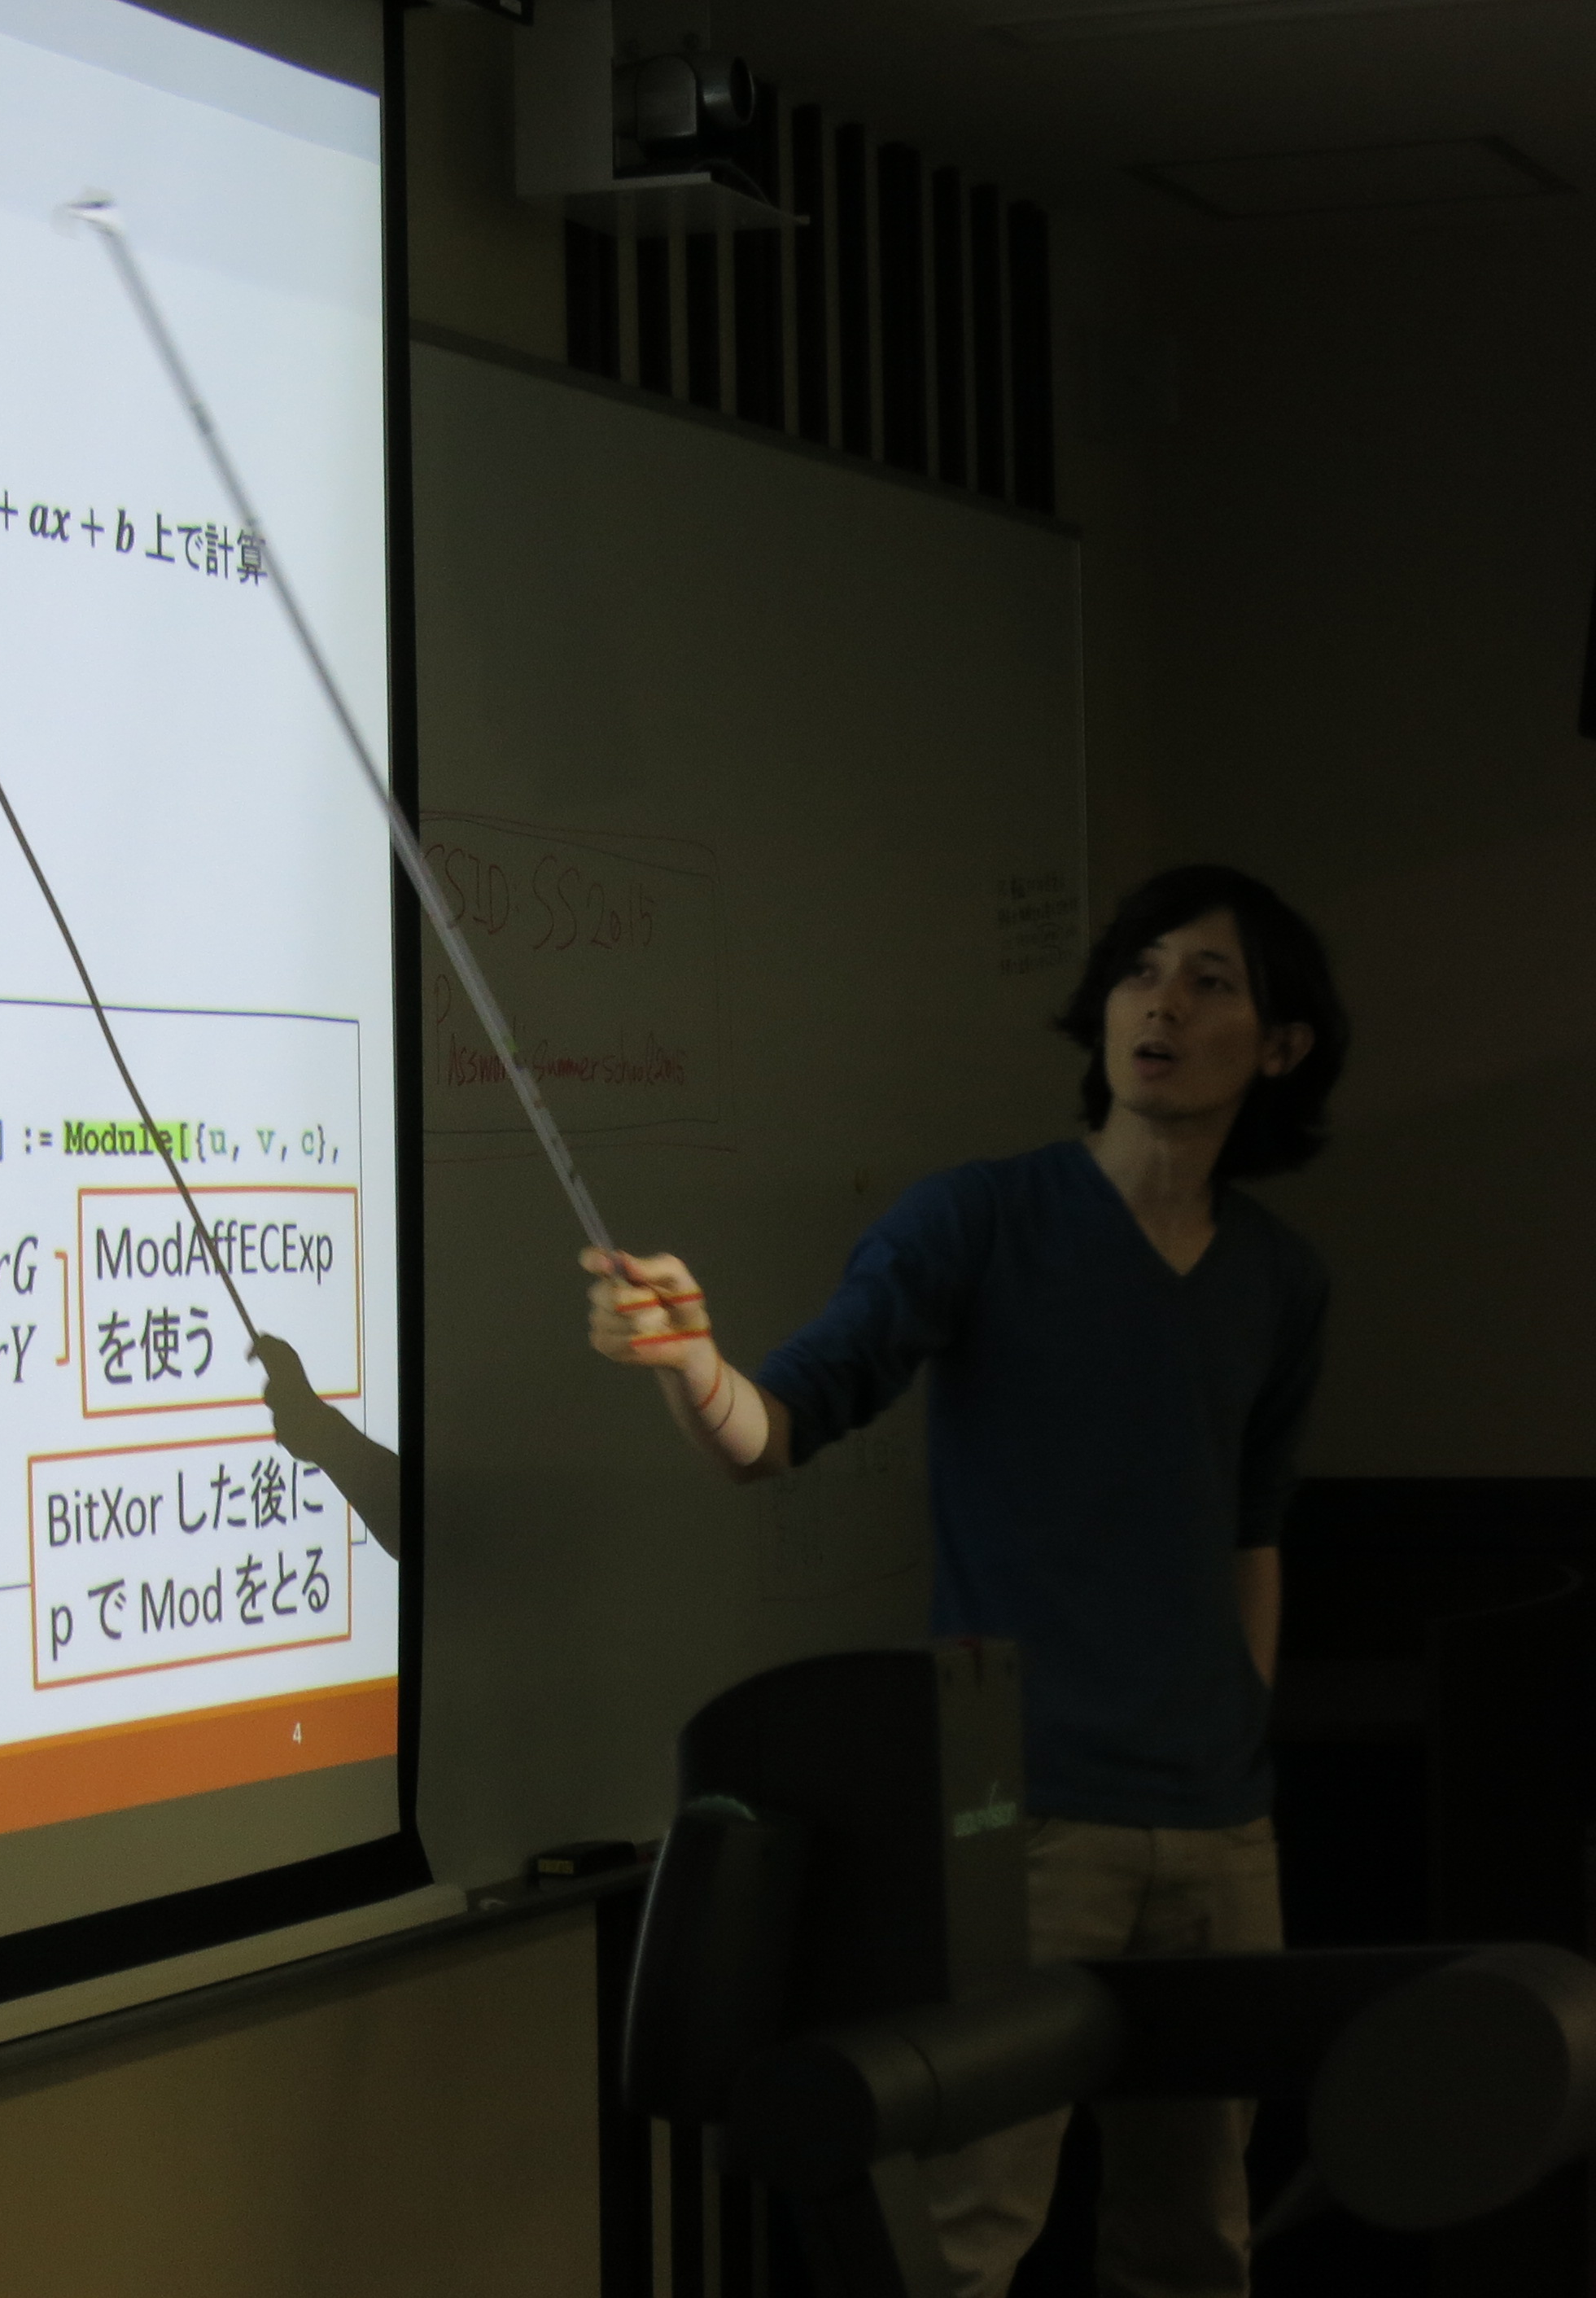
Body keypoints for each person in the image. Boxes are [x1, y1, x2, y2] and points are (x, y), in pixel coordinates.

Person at [576, 864, 1347, 2298]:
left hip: (1219, 1826)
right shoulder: (978, 1220)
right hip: (1026, 1813)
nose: (1162, 1006)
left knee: (1198, 2239)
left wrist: (1241, 1730)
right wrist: (691, 1366)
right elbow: (775, 1428)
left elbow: (1254, 1529)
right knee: (966, 2236)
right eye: (1139, 973)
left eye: (1210, 982)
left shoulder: (1280, 1280)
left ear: (1282, 1045)